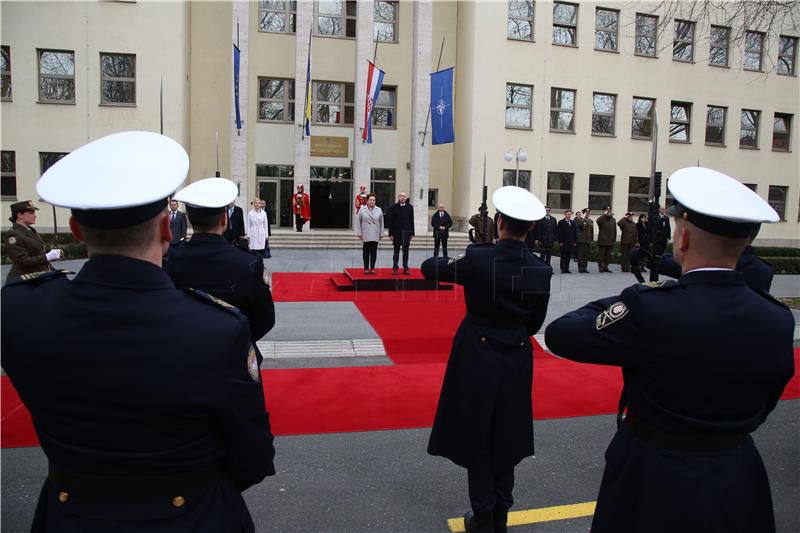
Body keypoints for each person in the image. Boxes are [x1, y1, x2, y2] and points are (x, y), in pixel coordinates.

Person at [1, 131, 275, 532]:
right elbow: (252, 455)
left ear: (76, 230)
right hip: (193, 516)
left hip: (70, 515)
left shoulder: (19, 309)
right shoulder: (216, 328)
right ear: (167, 229)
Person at [544, 167, 794, 533]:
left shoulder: (651, 308)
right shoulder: (776, 318)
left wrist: (635, 298)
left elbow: (561, 334)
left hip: (655, 473)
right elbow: (768, 399)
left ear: (684, 238)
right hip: (737, 471)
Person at [422, 186, 552, 533]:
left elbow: (429, 268)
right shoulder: (540, 270)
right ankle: (501, 514)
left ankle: (483, 516)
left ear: (498, 223)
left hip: (477, 353)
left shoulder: (479, 259)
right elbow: (534, 323)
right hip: (516, 354)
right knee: (507, 435)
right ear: (531, 229)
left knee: (478, 435)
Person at [167, 178, 276, 345]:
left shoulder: (172, 258)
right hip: (232, 353)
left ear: (189, 220)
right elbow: (265, 319)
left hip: (182, 350)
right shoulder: (249, 263)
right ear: (224, 219)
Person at [5, 200, 62, 283]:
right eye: (31, 213)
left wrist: (54, 267)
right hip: (24, 280)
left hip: (38, 277)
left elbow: (38, 253)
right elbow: (23, 261)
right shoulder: (13, 234)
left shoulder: (30, 230)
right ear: (20, 215)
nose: (35, 216)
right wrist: (47, 257)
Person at [386, 191, 415, 275]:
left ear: (406, 198)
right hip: (396, 233)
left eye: (404, 196)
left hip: (406, 233)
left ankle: (405, 268)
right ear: (398, 198)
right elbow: (390, 222)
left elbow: (411, 221)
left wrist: (412, 233)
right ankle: (395, 268)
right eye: (401, 196)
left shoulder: (410, 207)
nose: (403, 197)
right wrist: (390, 234)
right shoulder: (393, 207)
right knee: (396, 252)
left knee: (406, 253)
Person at [356, 193, 384, 274]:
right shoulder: (362, 209)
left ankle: (372, 268)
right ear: (367, 201)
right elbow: (358, 222)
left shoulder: (379, 210)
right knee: (366, 252)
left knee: (373, 252)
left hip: (375, 233)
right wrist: (359, 233)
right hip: (366, 233)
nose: (372, 201)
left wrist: (381, 234)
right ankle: (366, 268)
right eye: (370, 200)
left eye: (373, 200)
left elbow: (382, 223)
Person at [596, 207, 616, 272]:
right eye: (607, 211)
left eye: (609, 211)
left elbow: (614, 230)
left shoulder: (613, 219)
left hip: (610, 240)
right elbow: (598, 221)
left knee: (608, 256)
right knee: (601, 255)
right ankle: (600, 267)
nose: (608, 212)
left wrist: (614, 239)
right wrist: (604, 215)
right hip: (603, 240)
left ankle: (606, 267)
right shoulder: (602, 219)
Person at [557, 209, 578, 274]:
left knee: (568, 256)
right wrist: (560, 242)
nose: (569, 215)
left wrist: (575, 241)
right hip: (563, 242)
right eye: (568, 214)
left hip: (570, 242)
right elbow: (559, 233)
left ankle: (567, 268)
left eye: (570, 214)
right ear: (565, 215)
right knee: (563, 256)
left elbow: (575, 233)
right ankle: (562, 268)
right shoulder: (561, 222)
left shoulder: (573, 222)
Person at [576, 208, 594, 273]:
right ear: (584, 214)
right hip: (581, 240)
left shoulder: (591, 221)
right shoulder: (579, 220)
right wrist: (583, 219)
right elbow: (579, 226)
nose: (588, 214)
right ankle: (580, 268)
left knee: (586, 255)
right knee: (581, 255)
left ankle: (585, 267)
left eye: (589, 213)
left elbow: (591, 231)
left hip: (588, 240)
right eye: (586, 213)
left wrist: (591, 240)